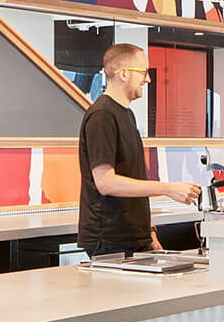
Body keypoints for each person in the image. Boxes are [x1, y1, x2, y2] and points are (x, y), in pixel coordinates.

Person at [77, 44, 201, 256]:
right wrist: (168, 189)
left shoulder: (126, 114)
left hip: (134, 236)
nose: (148, 79)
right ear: (124, 74)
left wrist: (148, 229)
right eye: (143, 72)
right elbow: (106, 183)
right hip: (110, 239)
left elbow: (132, 176)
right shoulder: (102, 116)